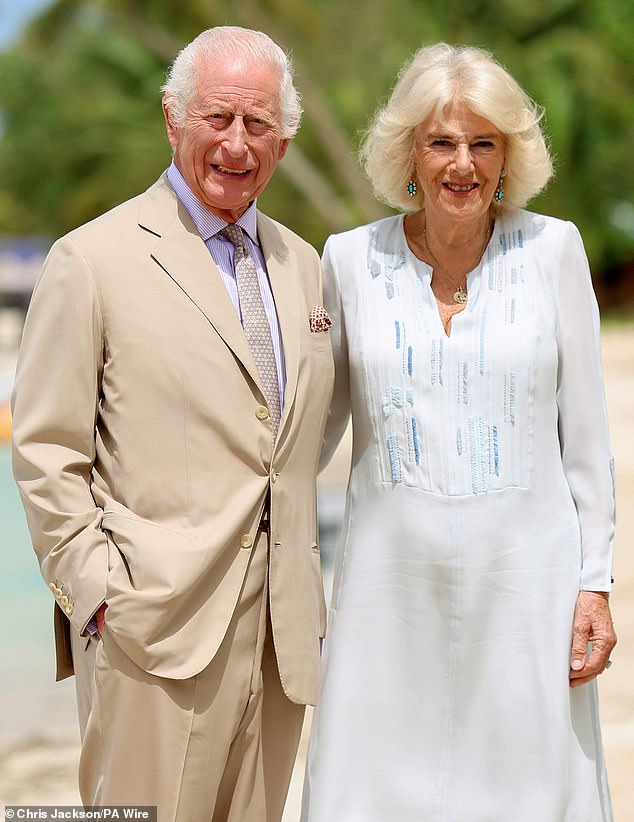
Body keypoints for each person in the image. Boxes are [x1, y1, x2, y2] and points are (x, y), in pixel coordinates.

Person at [11, 25, 334, 822]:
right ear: (172, 119)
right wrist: (96, 596)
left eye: (257, 124)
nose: (235, 142)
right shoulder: (90, 260)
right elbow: (46, 449)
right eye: (216, 118)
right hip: (150, 633)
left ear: (284, 141)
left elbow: (297, 442)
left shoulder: (307, 267)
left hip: (279, 640)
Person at [302, 43, 617, 821]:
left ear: (509, 156)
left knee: (526, 791)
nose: (463, 164)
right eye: (442, 141)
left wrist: (596, 582)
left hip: (527, 588)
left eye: (484, 143)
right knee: (370, 791)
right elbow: (305, 440)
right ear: (409, 151)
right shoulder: (347, 261)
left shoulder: (555, 251)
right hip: (386, 593)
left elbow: (586, 437)